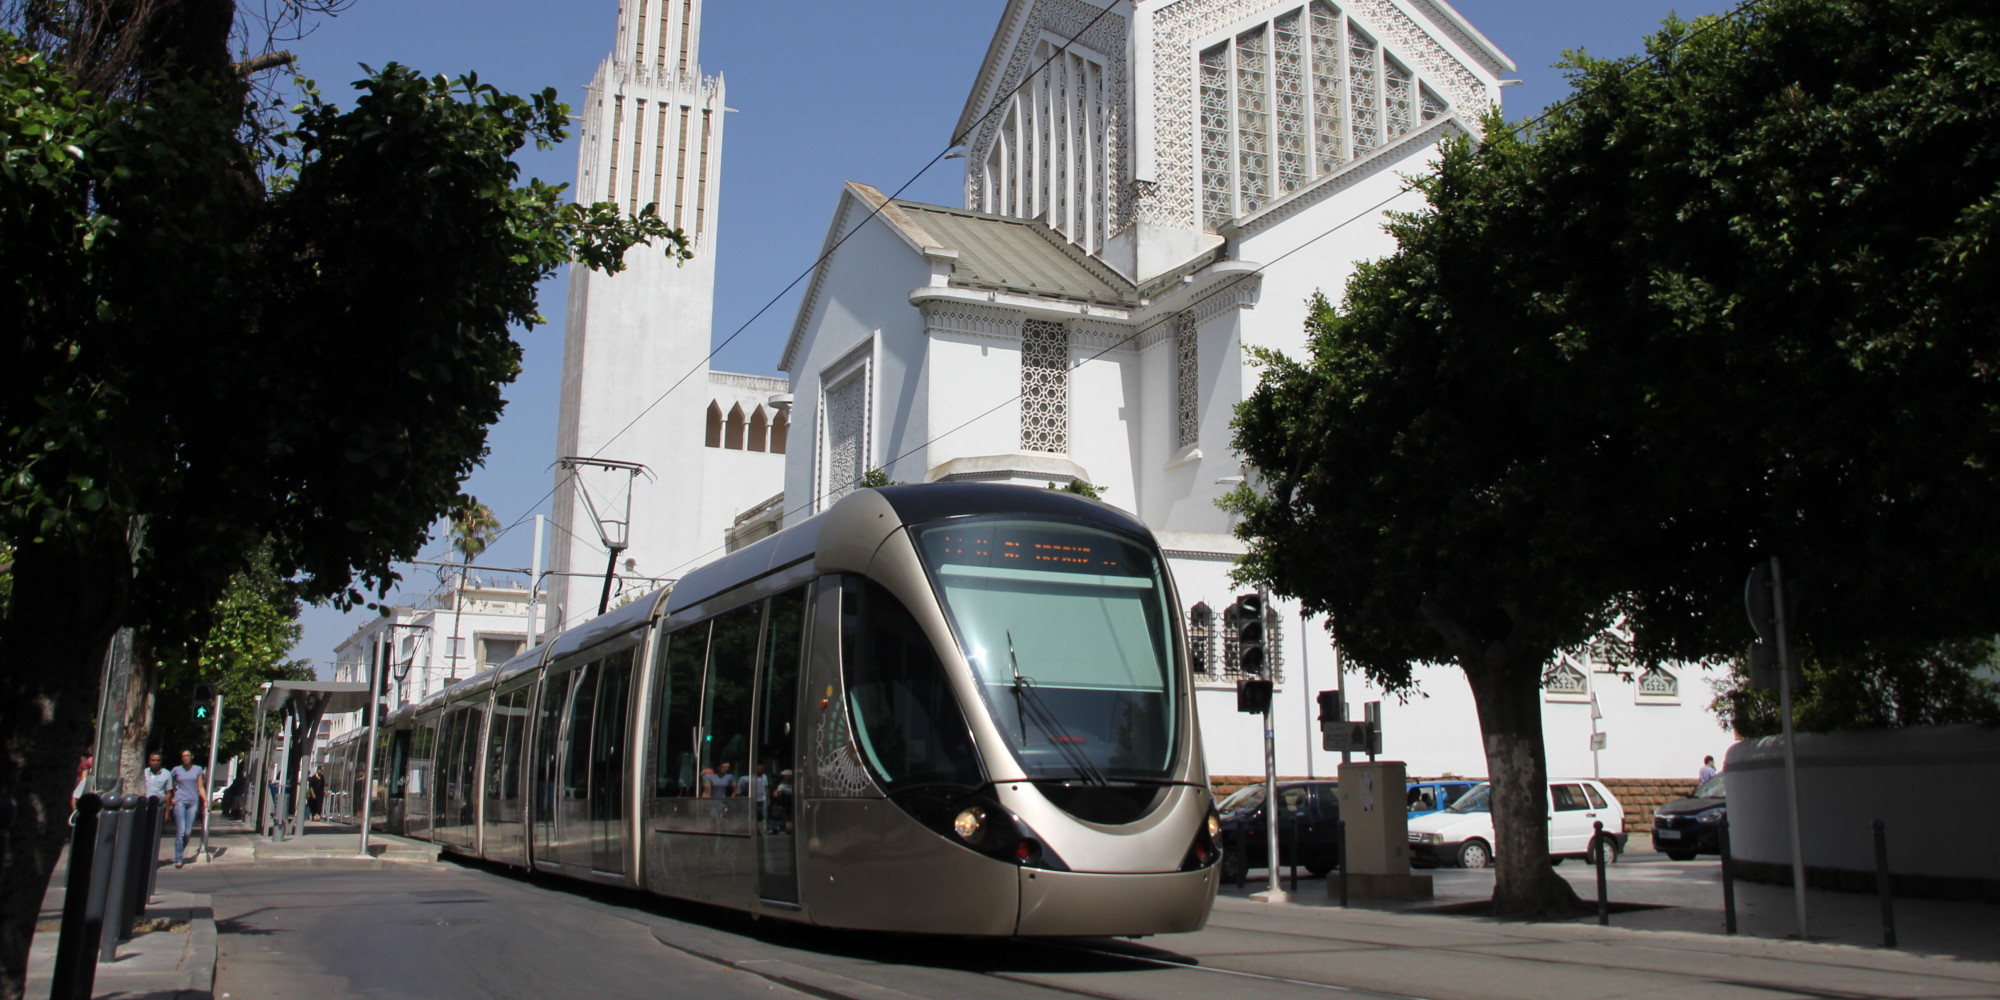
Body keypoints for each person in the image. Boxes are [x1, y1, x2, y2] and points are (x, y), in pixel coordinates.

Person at [168, 749, 207, 868]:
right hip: (180, 801)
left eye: (188, 756)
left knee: (188, 832)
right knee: (181, 831)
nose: (185, 758)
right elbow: (169, 785)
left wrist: (205, 800)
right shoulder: (176, 770)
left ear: (192, 757)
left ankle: (179, 850)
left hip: (193, 802)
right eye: (183, 756)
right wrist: (172, 799)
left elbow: (200, 787)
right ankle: (179, 858)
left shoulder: (198, 769)